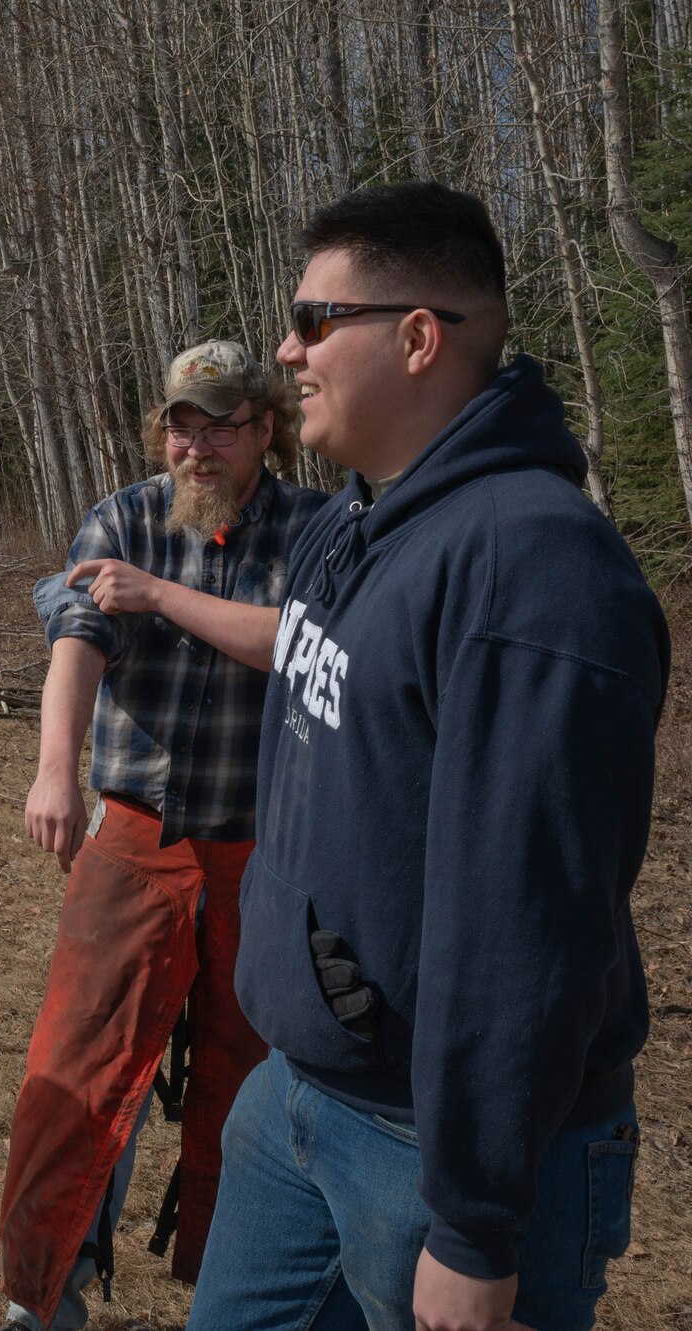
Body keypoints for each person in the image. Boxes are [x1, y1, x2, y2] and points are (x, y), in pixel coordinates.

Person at [187, 182, 670, 1331]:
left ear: (415, 337)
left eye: (312, 320)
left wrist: (470, 1220)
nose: (283, 349)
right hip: (295, 1097)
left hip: (442, 1158)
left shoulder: (533, 573)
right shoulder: (348, 524)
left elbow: (523, 921)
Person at [0, 342, 331, 1331]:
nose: (197, 446)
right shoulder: (125, 515)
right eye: (181, 426)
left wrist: (159, 597)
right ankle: (42, 1293)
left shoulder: (313, 528)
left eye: (220, 425)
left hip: (266, 854)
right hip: (134, 837)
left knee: (255, 1080)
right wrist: (55, 767)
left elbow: (296, 641)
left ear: (263, 431)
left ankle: (233, 1296)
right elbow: (74, 628)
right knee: (81, 1070)